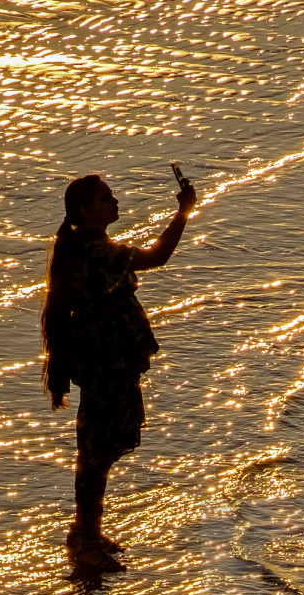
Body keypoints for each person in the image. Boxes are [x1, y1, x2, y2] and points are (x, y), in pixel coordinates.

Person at [41, 171, 197, 571]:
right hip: (106, 363)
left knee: (97, 449)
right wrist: (183, 213)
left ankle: (85, 532)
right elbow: (158, 256)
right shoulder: (97, 252)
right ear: (86, 210)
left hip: (106, 362)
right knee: (97, 451)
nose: (115, 202)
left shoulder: (85, 247)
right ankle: (88, 542)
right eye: (106, 198)